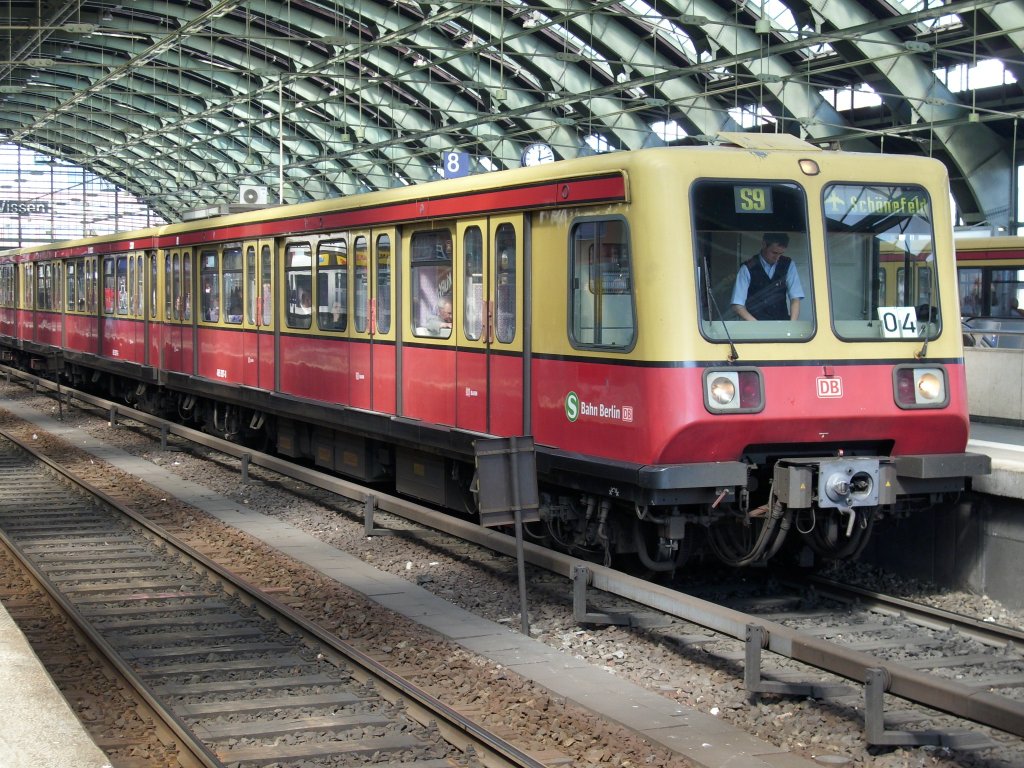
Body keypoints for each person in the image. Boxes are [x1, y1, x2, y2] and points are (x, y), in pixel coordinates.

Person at [731, 233, 804, 321]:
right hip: (755, 328)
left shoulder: (788, 264)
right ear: (764, 245)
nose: (777, 257)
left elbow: (795, 298)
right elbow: (737, 305)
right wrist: (758, 326)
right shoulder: (747, 268)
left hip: (782, 325)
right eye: (774, 252)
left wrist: (792, 325)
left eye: (781, 254)